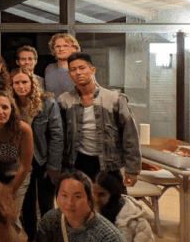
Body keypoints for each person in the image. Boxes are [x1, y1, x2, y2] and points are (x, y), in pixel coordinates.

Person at [57, 52, 141, 187]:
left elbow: (129, 134)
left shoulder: (114, 99)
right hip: (78, 162)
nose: (78, 73)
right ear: (69, 74)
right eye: (73, 70)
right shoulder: (64, 100)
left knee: (112, 204)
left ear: (92, 70)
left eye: (82, 68)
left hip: (109, 163)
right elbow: (59, 137)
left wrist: (133, 169)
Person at [11, 68, 63, 242]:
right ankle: (32, 241)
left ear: (32, 83)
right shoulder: (10, 104)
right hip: (21, 162)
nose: (21, 86)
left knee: (46, 203)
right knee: (27, 205)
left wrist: (53, 166)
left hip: (44, 159)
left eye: (24, 82)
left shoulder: (47, 103)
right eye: (16, 82)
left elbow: (56, 134)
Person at [44, 33, 81, 98]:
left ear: (74, 48)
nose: (61, 49)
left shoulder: (80, 70)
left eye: (65, 46)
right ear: (53, 50)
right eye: (58, 46)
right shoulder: (49, 69)